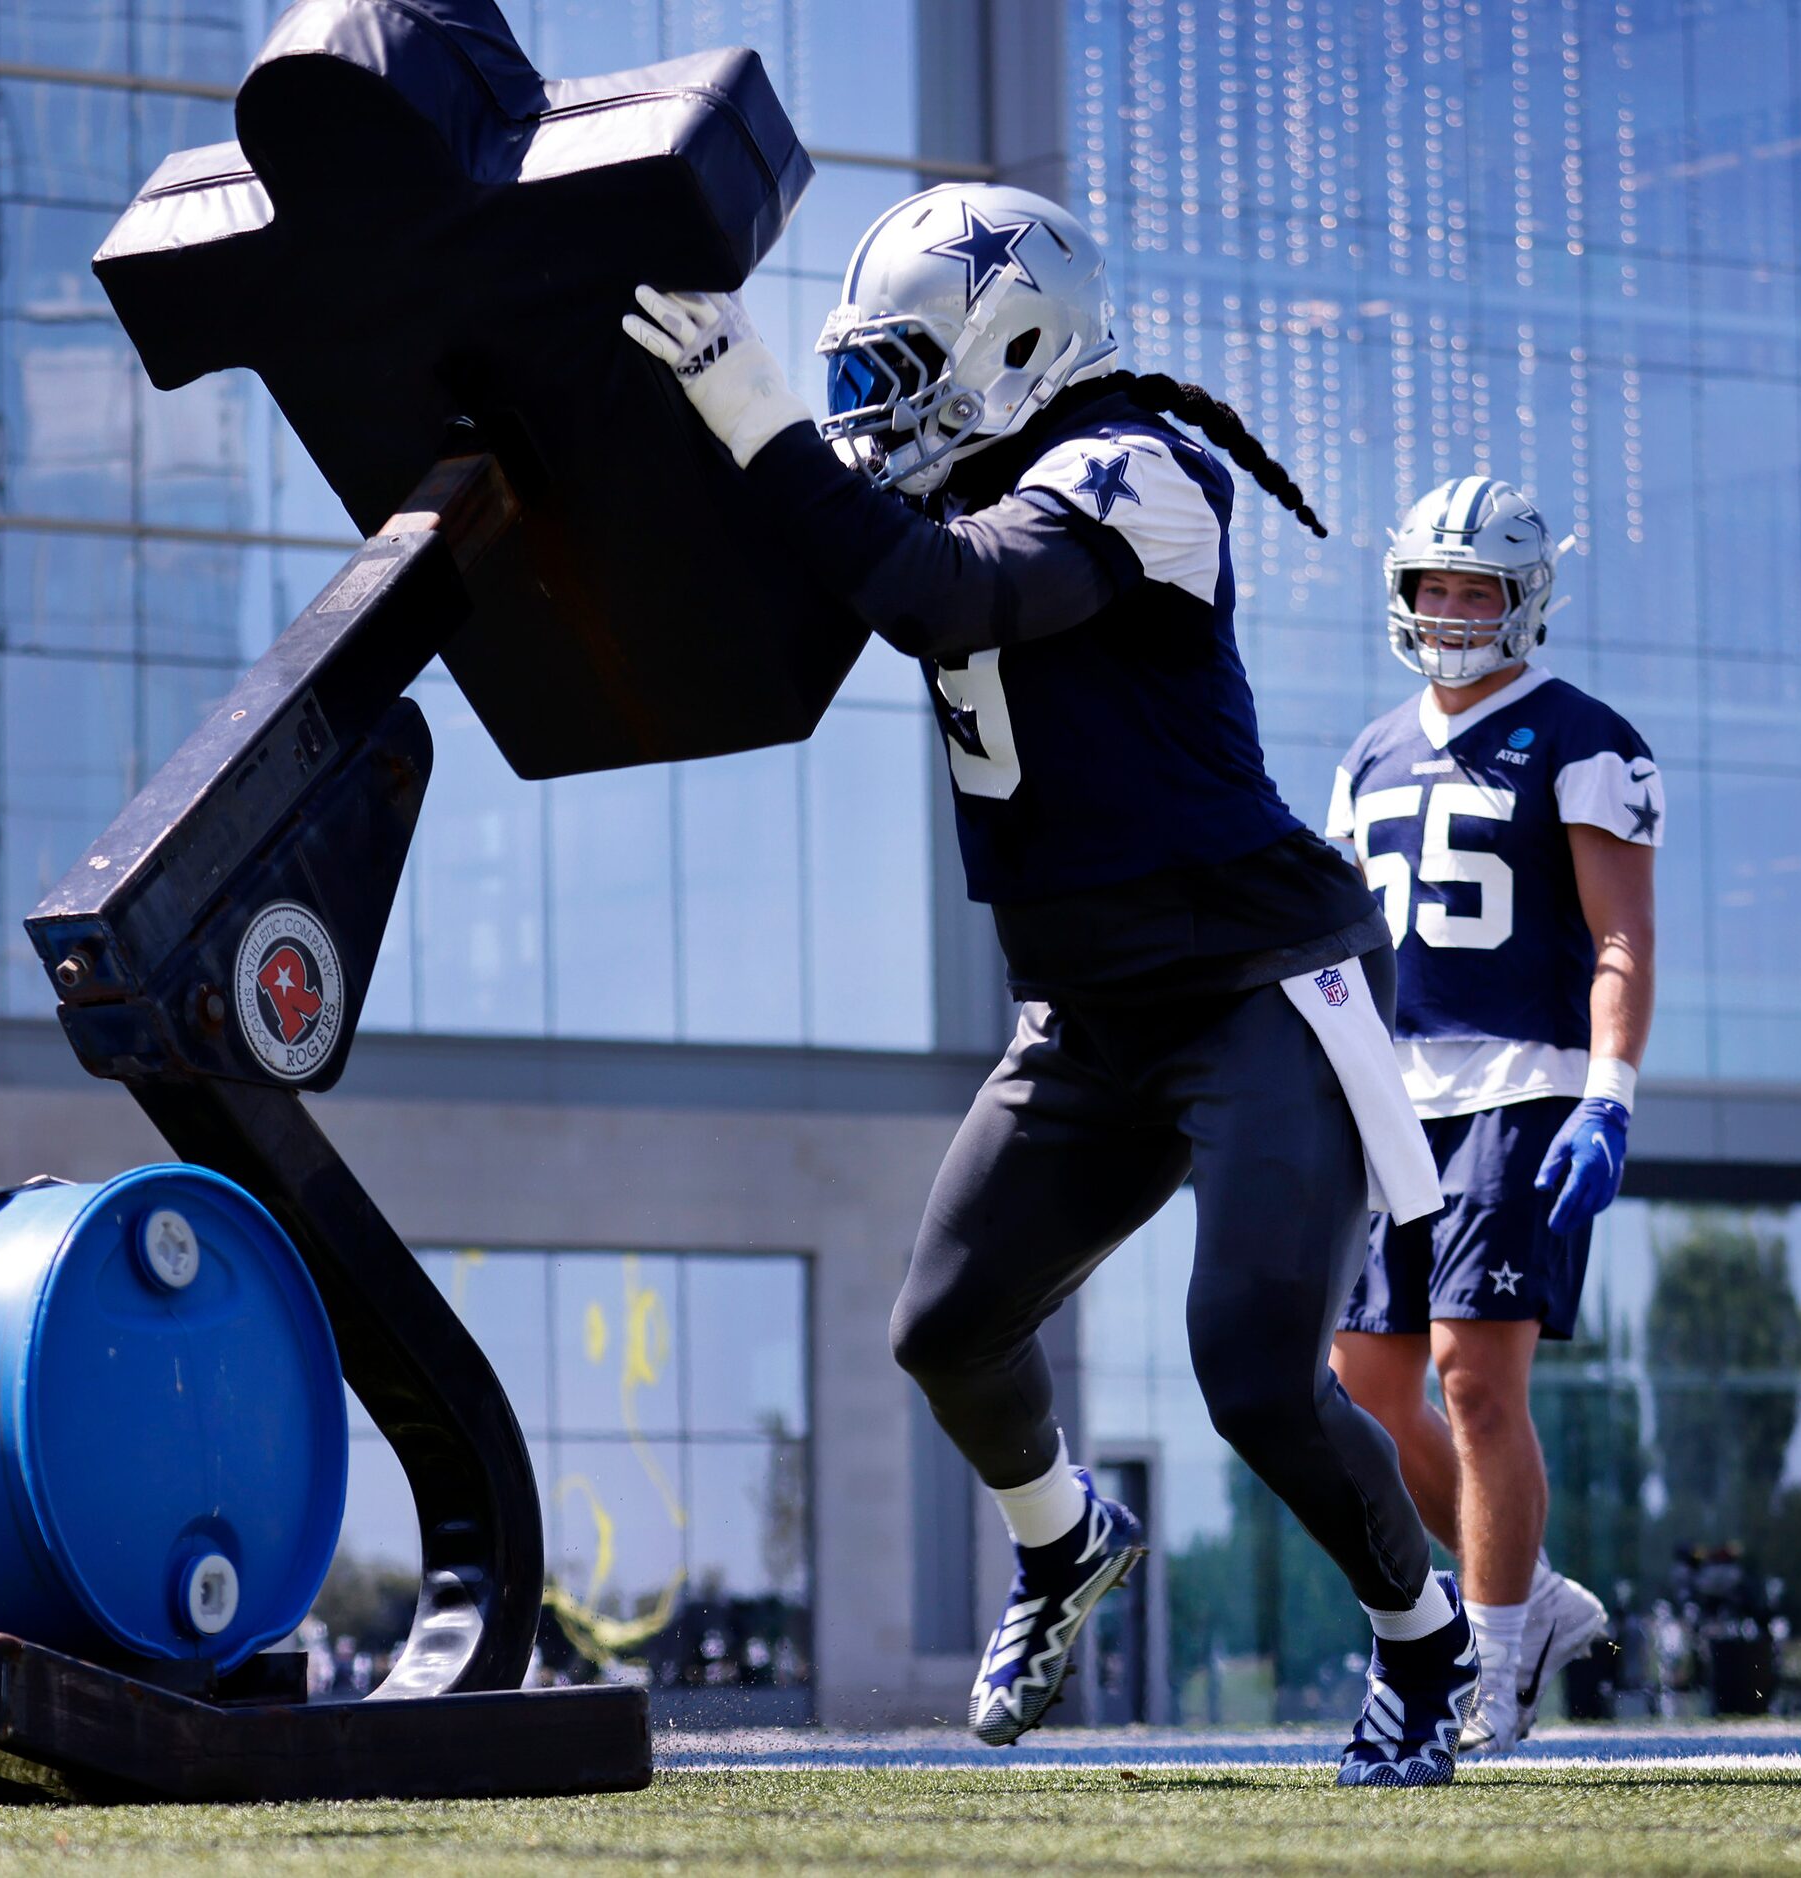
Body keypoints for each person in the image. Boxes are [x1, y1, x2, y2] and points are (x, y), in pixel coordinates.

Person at [626, 183, 1480, 1786]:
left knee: (1247, 1371)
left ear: (1010, 339)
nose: (863, 416)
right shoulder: (942, 499)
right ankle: (1063, 1538)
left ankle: (1426, 1650)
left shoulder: (1136, 463)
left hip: (1254, 989)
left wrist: (755, 424)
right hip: (1087, 1013)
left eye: (891, 371)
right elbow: (800, 565)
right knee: (945, 1325)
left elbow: (947, 592)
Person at [1321, 475, 1657, 1755]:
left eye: (1476, 590)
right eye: (1432, 588)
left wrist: (1607, 1095)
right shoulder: (1363, 752)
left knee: (1474, 1375)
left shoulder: (1583, 737)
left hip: (1521, 1084)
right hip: (1389, 1100)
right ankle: (1535, 1591)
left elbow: (1621, 936)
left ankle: (1496, 1663)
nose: (1451, 611)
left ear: (1524, 602)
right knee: (1362, 1390)